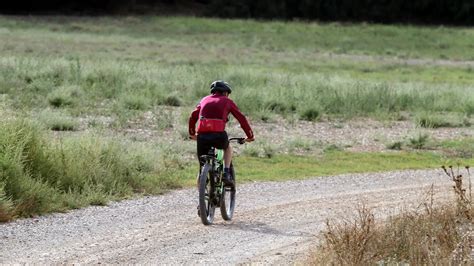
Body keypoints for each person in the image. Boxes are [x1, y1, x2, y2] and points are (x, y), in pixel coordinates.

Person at [189, 80, 255, 186]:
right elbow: (241, 118)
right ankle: (226, 173)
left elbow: (193, 116)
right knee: (227, 147)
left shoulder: (204, 99)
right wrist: (250, 136)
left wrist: (192, 133)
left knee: (202, 168)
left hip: (202, 136)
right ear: (225, 93)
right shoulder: (227, 101)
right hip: (219, 135)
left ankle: (201, 200)